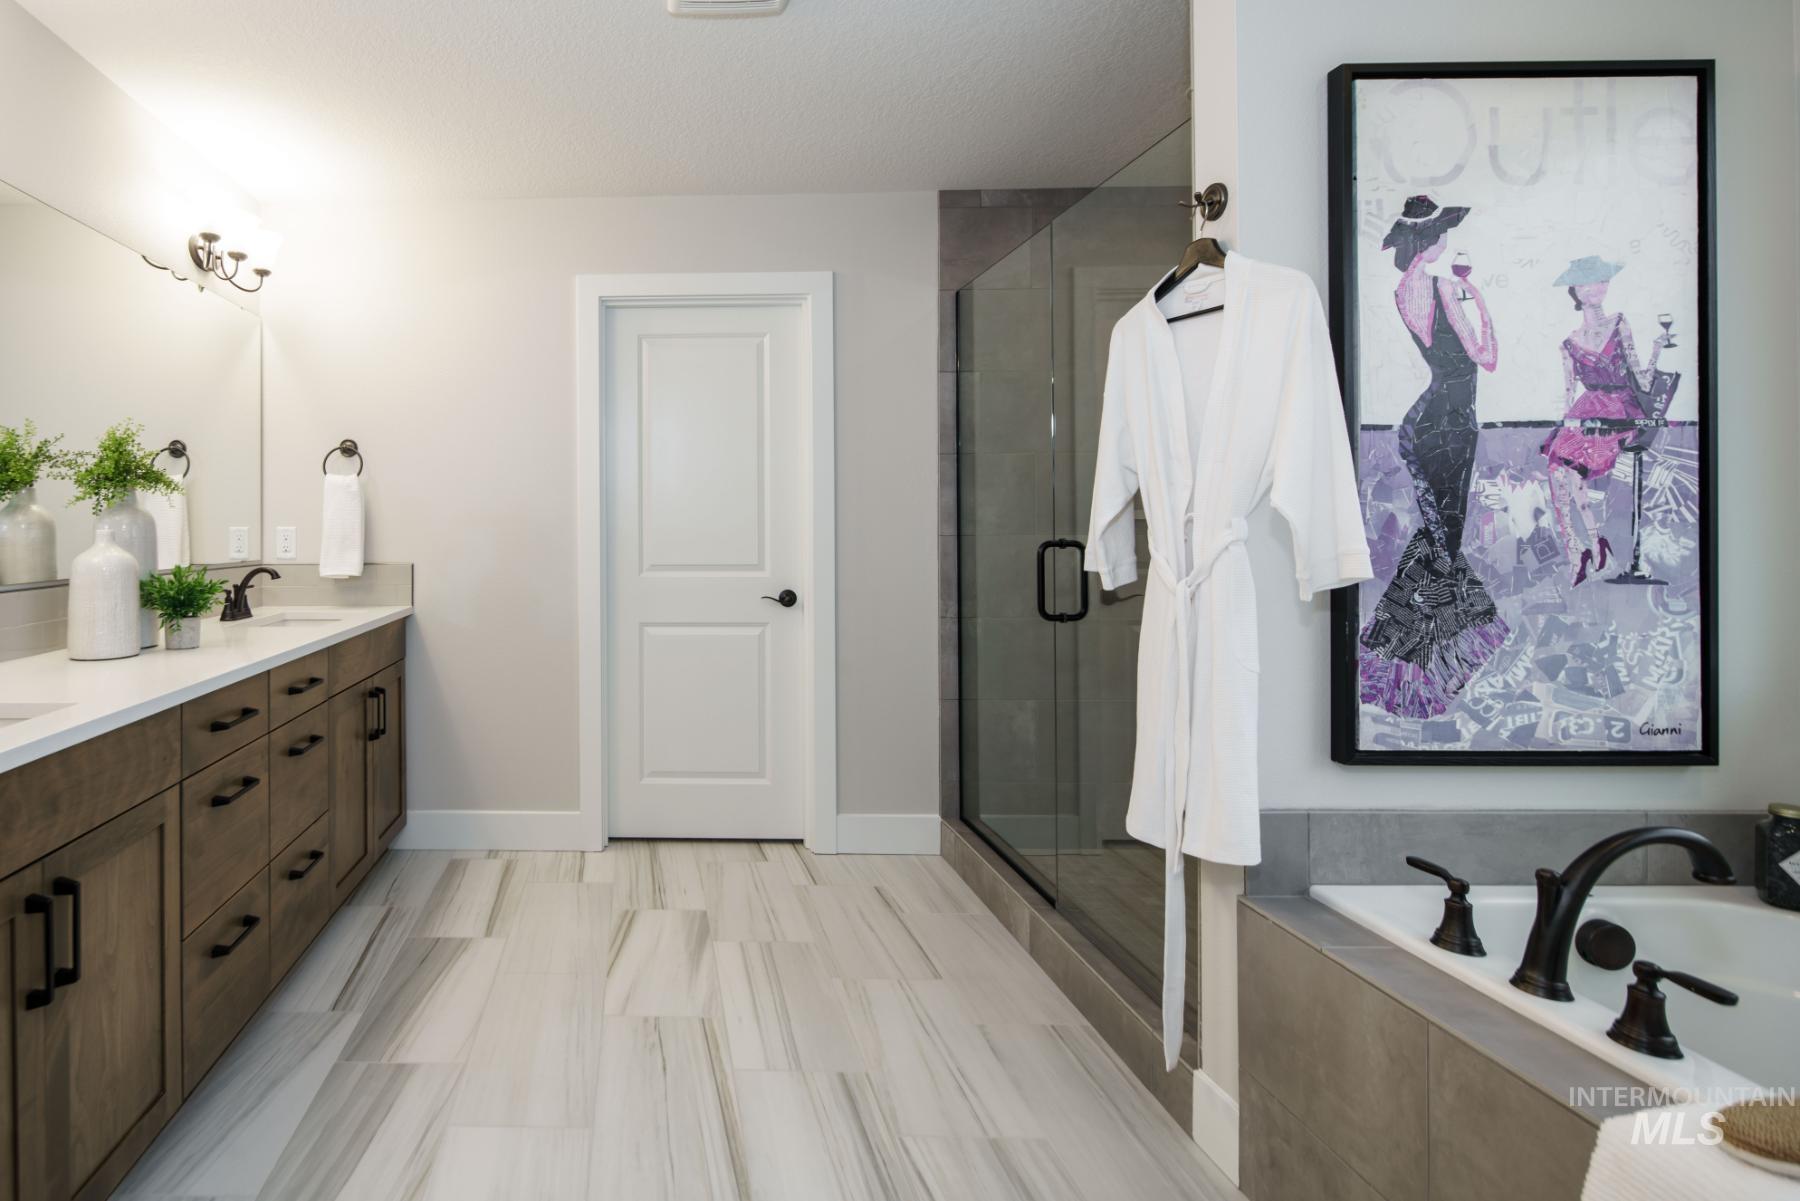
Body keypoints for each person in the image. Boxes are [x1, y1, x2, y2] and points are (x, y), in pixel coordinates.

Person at [1359, 195, 1509, 719]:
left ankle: (1399, 666)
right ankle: (1426, 669)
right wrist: (1479, 300)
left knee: (1438, 547)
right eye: (1444, 232)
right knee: (1444, 551)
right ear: (1433, 240)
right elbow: (1484, 358)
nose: (1449, 241)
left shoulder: (1405, 290)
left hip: (1423, 423)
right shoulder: (1447, 288)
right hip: (1448, 423)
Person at [1540, 256, 1672, 585]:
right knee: (1557, 468)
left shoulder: (1619, 323)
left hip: (1620, 408)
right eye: (1587, 282)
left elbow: (1641, 379)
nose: (1597, 287)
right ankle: (1580, 548)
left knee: (1576, 467)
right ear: (1575, 290)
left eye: (1601, 280)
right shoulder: (1568, 343)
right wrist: (1565, 427)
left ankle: (1596, 548)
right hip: (1586, 411)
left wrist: (1656, 350)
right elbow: (1569, 395)